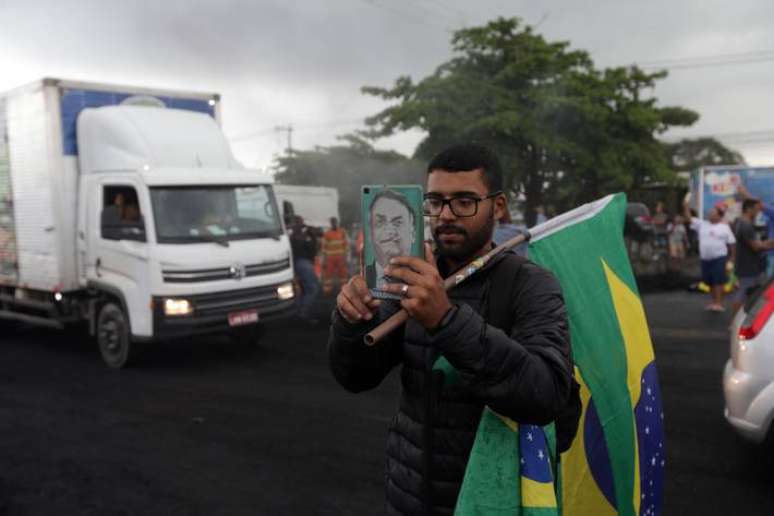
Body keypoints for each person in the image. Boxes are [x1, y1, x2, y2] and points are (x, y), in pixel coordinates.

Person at [329, 143, 580, 515]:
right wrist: (350, 323)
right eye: (434, 201)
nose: (445, 215)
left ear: (498, 206)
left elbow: (546, 394)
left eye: (464, 202)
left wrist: (445, 320)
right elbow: (356, 376)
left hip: (493, 500)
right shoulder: (410, 277)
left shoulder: (531, 285)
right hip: (408, 494)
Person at [684, 201, 736, 312]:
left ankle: (719, 303)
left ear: (719, 215)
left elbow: (732, 244)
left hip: (719, 258)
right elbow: (689, 218)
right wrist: (686, 206)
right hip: (705, 258)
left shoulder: (724, 227)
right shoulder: (702, 224)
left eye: (713, 212)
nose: (710, 213)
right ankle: (714, 302)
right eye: (711, 211)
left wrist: (732, 259)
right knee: (710, 281)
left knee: (718, 281)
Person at [364, 189, 416, 289]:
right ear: (370, 235)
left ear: (413, 233)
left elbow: (457, 278)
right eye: (380, 222)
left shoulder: (427, 278)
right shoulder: (360, 279)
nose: (389, 231)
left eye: (398, 222)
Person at [732, 199, 774, 314]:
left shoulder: (743, 223)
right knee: (742, 292)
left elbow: (757, 244)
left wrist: (769, 243)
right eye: (756, 209)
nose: (758, 212)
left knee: (748, 292)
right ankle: (735, 320)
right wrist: (770, 244)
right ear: (749, 209)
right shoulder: (745, 226)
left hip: (749, 265)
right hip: (747, 266)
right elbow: (756, 247)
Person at [738, 184, 774, 278]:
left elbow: (758, 205)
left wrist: (744, 193)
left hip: (771, 255)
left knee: (768, 282)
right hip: (770, 253)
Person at [289, 216, 320, 325]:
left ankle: (299, 313)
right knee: (312, 289)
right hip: (303, 263)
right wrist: (311, 234)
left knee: (303, 289)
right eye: (301, 222)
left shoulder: (293, 236)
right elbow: (312, 249)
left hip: (299, 264)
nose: (303, 225)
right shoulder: (298, 237)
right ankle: (303, 313)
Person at [321, 217, 350, 295]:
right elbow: (324, 248)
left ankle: (344, 291)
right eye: (332, 222)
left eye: (335, 222)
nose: (334, 223)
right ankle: (327, 291)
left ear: (337, 222)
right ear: (331, 223)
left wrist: (346, 257)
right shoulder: (327, 234)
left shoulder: (342, 232)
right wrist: (323, 260)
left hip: (340, 257)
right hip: (330, 258)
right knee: (328, 274)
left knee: (343, 274)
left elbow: (346, 245)